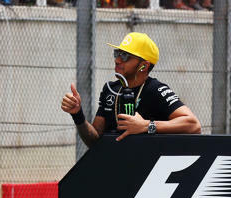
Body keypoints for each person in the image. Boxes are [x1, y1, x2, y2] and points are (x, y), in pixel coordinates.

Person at [60, 32, 201, 149]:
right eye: (117, 53)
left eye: (125, 56)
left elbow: (193, 125)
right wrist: (78, 115)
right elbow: (94, 141)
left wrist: (147, 126)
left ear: (143, 66)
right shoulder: (111, 90)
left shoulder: (155, 89)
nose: (118, 60)